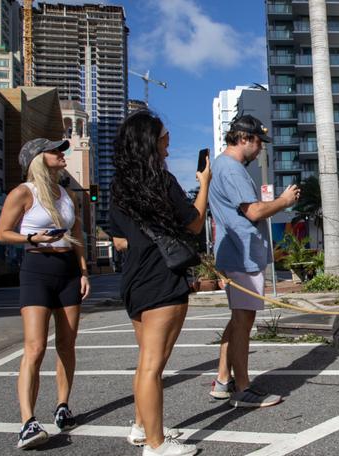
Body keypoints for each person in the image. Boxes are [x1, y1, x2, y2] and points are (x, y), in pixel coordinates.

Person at [109, 110, 210, 456]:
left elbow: (119, 237)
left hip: (134, 280)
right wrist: (204, 182)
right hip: (162, 279)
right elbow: (194, 224)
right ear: (151, 141)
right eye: (165, 135)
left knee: (146, 362)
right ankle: (156, 445)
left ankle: (142, 427)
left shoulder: (119, 187)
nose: (169, 141)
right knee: (154, 364)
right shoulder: (163, 182)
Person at [0, 138, 91, 449]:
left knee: (67, 344)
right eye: (55, 150)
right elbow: (2, 233)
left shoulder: (66, 195)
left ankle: (63, 405)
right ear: (37, 158)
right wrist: (31, 237)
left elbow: (77, 237)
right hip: (37, 269)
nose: (62, 154)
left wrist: (84, 272)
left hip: (67, 271)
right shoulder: (24, 192)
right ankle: (27, 422)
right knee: (35, 348)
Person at [208, 114, 300, 407]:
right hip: (241, 254)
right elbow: (254, 212)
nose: (261, 148)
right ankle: (243, 388)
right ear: (244, 138)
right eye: (259, 142)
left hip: (235, 252)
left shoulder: (223, 166)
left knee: (238, 319)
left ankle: (224, 380)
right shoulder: (232, 170)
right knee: (243, 321)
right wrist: (284, 202)